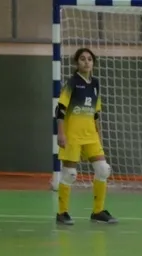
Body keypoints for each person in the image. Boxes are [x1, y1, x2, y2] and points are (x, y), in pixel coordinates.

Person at [55, 47, 117, 226]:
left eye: (89, 59)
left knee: (103, 169)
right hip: (72, 135)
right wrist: (61, 133)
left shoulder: (95, 83)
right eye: (82, 59)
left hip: (91, 135)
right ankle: (62, 213)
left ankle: (98, 211)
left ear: (93, 63)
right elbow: (60, 110)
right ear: (77, 63)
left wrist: (99, 135)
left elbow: (96, 113)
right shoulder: (72, 83)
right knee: (70, 174)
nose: (86, 62)